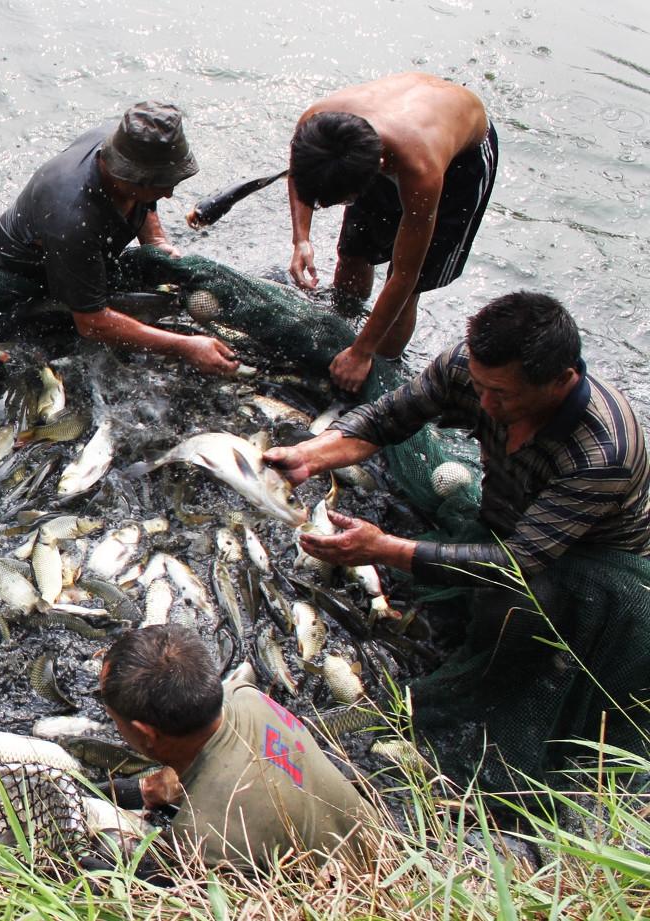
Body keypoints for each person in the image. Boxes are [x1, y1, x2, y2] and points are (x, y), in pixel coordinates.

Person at [264, 291, 650, 586]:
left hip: (592, 558)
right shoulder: (465, 365)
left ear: (561, 381)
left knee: (508, 609)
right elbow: (388, 418)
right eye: (480, 386)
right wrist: (309, 456)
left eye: (502, 394)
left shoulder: (602, 456)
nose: (484, 402)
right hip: (508, 515)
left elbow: (520, 562)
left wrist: (384, 549)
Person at [0, 101, 238, 376]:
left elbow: (145, 197)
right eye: (162, 185)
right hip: (22, 271)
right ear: (127, 176)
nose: (169, 195)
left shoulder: (125, 143)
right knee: (56, 349)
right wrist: (185, 347)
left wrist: (156, 242)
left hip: (83, 249)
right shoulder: (72, 219)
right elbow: (91, 322)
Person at [98, 625, 375, 872]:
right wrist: (144, 790)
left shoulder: (204, 836)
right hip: (380, 843)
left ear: (146, 733)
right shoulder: (245, 696)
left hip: (347, 891)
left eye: (111, 715)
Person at [285, 73, 498, 392]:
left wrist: (362, 353)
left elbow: (405, 275)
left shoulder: (421, 169)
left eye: (347, 199)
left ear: (380, 165)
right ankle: (345, 320)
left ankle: (380, 367)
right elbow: (300, 176)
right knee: (354, 253)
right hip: (387, 127)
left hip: (461, 161)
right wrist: (301, 239)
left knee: (409, 286)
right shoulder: (315, 127)